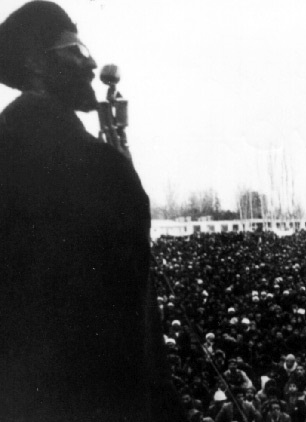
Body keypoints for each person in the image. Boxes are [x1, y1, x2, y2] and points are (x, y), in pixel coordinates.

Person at [0, 2, 185, 421]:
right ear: (34, 62)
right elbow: (132, 329)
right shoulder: (99, 166)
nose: (92, 63)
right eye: (77, 49)